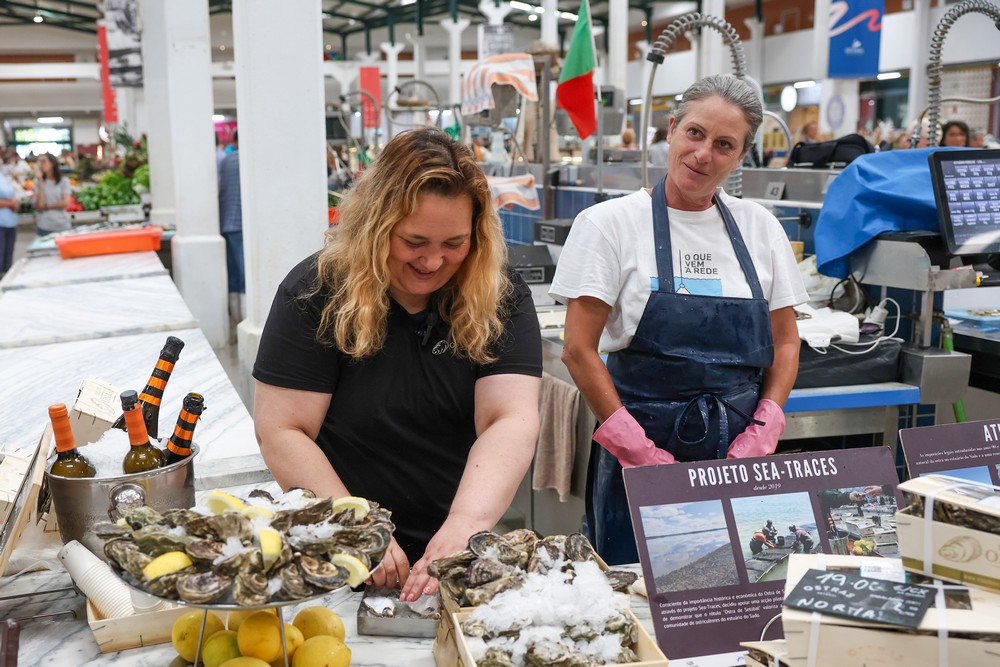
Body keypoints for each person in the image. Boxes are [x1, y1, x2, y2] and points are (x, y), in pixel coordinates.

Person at [252, 128, 542, 602]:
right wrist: (355, 524)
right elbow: (282, 430)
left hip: (457, 542)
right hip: (334, 540)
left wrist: (465, 525)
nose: (433, 260)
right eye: (414, 241)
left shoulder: (499, 295)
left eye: (454, 243)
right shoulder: (315, 292)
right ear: (374, 226)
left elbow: (508, 419)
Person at [550, 74, 808, 565]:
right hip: (640, 445)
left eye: (724, 144)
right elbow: (577, 349)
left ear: (740, 156)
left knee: (740, 584)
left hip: (739, 450)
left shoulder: (760, 228)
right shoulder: (609, 224)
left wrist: (764, 428)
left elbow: (786, 342)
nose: (703, 153)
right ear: (670, 129)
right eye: (694, 133)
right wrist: (638, 451)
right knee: (640, 592)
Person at [217, 131, 244, 324]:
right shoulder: (248, 162)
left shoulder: (227, 161)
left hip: (227, 223)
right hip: (243, 224)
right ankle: (245, 319)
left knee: (234, 274)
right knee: (245, 277)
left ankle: (235, 320)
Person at [33, 153, 71, 236]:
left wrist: (47, 207)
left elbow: (65, 202)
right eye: (39, 162)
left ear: (52, 163)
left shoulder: (63, 181)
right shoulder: (37, 181)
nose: (40, 164)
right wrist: (40, 182)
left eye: (43, 161)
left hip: (62, 225)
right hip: (44, 226)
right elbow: (40, 205)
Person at [0, 169, 19, 276]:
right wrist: (10, 204)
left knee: (8, 259)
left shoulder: (4, 175)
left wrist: (15, 203)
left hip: (10, 222)